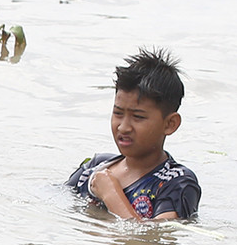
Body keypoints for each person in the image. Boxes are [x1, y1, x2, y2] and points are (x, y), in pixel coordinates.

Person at [65, 48, 201, 221]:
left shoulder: (176, 183)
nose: (123, 127)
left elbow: (151, 239)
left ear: (170, 124)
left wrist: (111, 193)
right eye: (118, 113)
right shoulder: (94, 168)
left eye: (138, 117)